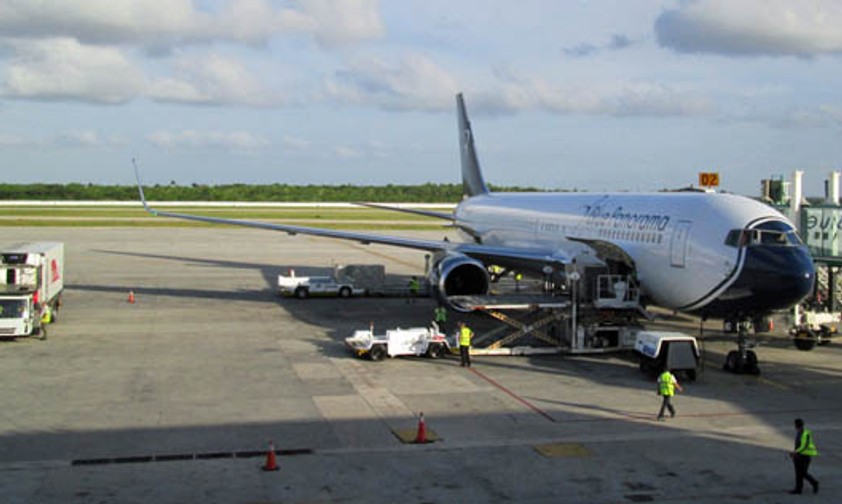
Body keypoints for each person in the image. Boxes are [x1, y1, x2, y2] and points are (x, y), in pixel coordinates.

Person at [789, 418, 819, 494]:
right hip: (801, 456)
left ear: (796, 425)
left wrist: (795, 452)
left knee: (802, 473)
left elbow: (803, 446)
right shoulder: (800, 432)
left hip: (804, 456)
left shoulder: (804, 434)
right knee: (799, 473)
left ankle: (814, 483)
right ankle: (798, 489)